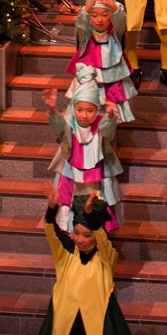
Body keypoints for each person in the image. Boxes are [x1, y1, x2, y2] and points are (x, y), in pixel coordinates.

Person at [28, 185, 135, 335]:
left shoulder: (105, 260)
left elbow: (103, 241)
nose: (80, 240)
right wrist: (52, 209)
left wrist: (90, 215)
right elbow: (52, 233)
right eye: (76, 233)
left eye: (87, 235)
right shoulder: (66, 257)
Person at [43, 71, 123, 232]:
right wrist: (52, 111)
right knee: (69, 209)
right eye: (79, 110)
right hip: (71, 174)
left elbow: (108, 132)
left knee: (96, 207)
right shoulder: (69, 124)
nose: (84, 115)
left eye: (90, 110)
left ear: (96, 110)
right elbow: (59, 128)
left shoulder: (101, 124)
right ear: (74, 108)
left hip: (97, 177)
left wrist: (109, 115)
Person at [66, 0, 137, 124]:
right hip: (89, 74)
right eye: (94, 15)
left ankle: (110, 133)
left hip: (113, 76)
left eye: (105, 15)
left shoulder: (115, 32)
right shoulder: (86, 34)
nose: (100, 20)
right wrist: (86, 9)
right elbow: (81, 24)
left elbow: (121, 21)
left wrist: (113, 6)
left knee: (111, 113)